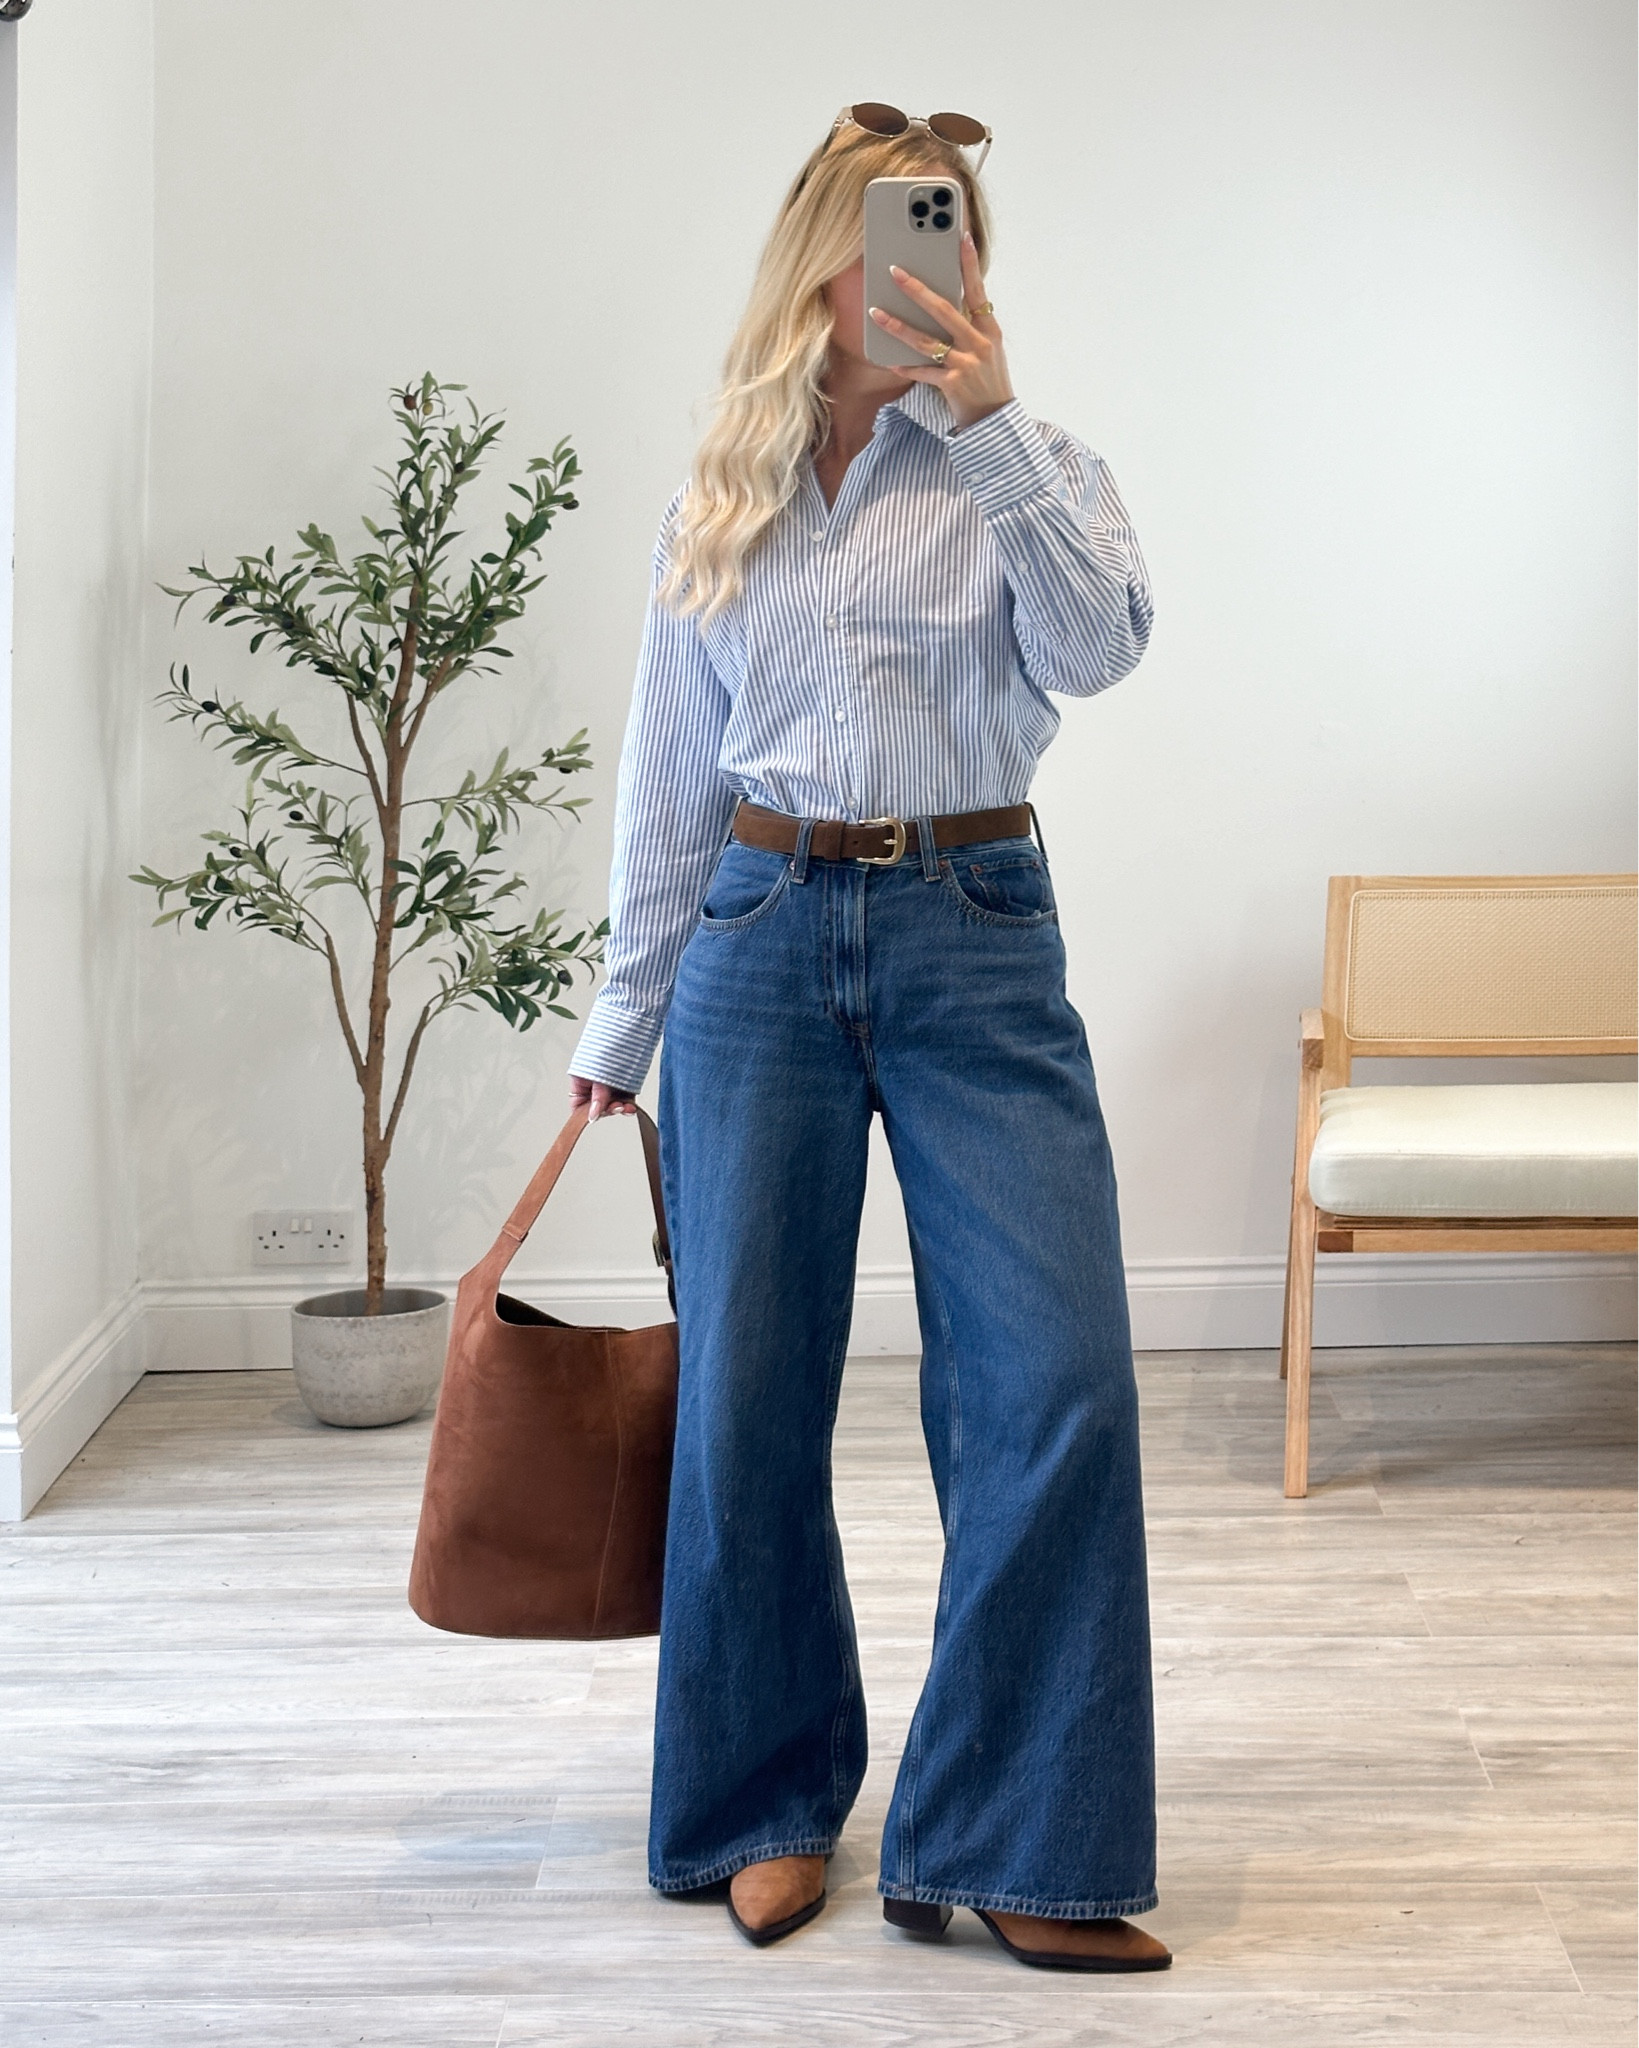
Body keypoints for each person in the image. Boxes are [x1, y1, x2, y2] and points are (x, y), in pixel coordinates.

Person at [567, 103, 1169, 1974]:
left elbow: (1101, 651)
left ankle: (1016, 1834)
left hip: (975, 933)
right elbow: (671, 776)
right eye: (907, 232)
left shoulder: (1029, 458)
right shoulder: (723, 486)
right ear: (821, 257)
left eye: (961, 236)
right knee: (750, 1395)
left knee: (1051, 1381)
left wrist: (988, 430)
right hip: (756, 938)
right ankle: (760, 1804)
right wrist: (621, 1021)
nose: (940, 269)